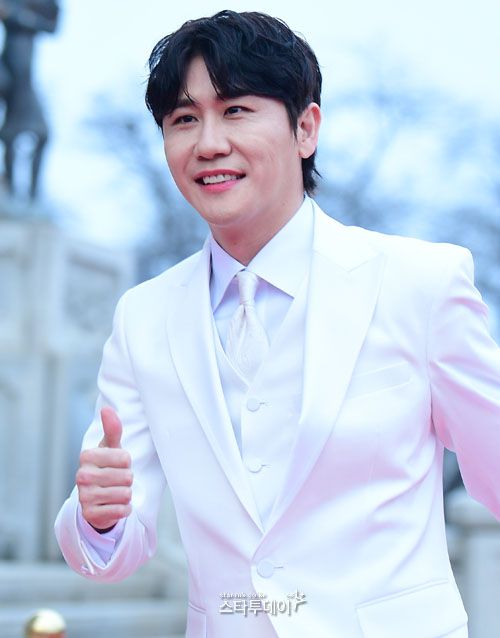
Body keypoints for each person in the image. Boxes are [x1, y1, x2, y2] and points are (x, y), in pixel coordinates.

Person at [55, 10, 500, 638]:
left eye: (236, 110)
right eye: (184, 119)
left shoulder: (419, 284)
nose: (209, 143)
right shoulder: (143, 316)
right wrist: (99, 517)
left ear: (306, 128)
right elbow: (112, 551)